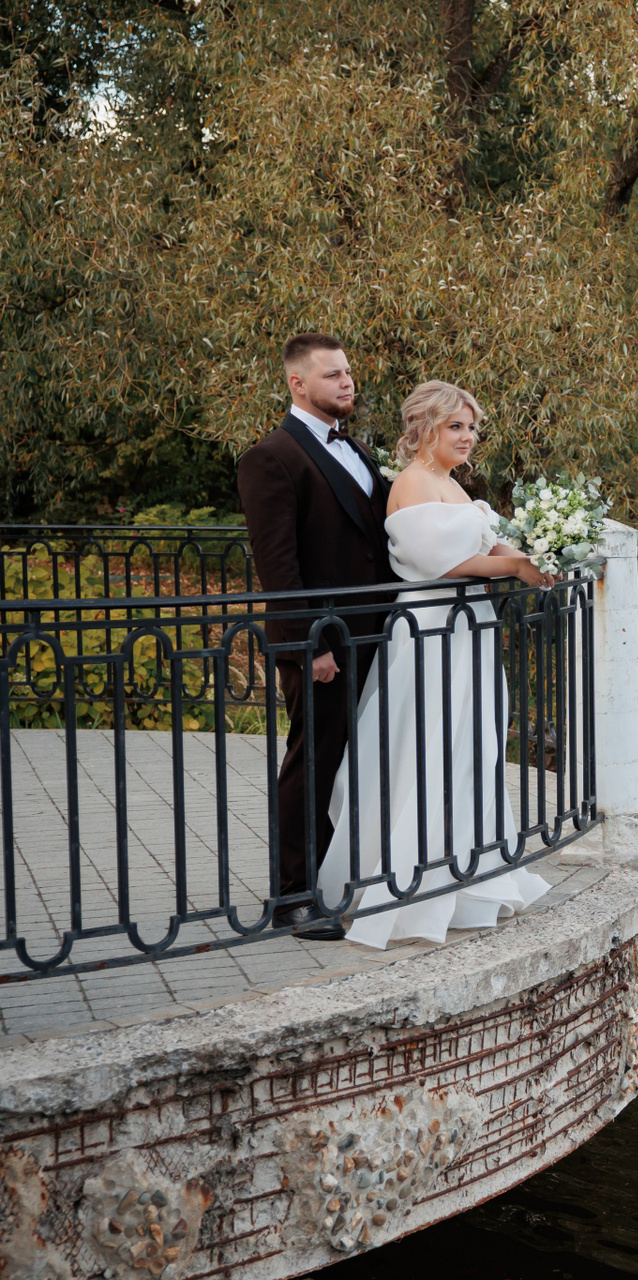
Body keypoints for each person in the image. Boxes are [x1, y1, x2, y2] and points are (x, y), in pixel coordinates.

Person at [315, 380, 556, 949]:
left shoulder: (452, 484)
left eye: (472, 427)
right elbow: (441, 563)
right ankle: (407, 886)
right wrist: (515, 568)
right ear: (425, 428)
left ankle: (465, 873)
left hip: (467, 630)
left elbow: (488, 546)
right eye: (456, 426)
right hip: (431, 631)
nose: (467, 437)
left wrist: (537, 557)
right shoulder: (413, 483)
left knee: (468, 747)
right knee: (426, 747)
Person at [237, 334, 396, 940]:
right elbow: (278, 566)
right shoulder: (270, 457)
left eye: (348, 372)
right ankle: (293, 897)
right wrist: (314, 646)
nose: (346, 382)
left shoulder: (356, 448)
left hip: (375, 633)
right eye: (332, 375)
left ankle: (336, 877)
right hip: (323, 642)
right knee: (313, 761)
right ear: (297, 384)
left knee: (354, 759)